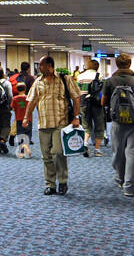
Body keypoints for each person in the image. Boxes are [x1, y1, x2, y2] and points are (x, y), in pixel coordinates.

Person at [26, 55, 81, 195]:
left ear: (50, 66)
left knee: (57, 152)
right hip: (43, 124)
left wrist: (76, 117)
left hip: (60, 123)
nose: (39, 68)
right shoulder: (37, 82)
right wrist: (27, 117)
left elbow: (76, 97)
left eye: (42, 65)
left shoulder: (64, 79)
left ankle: (62, 181)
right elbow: (31, 101)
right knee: (46, 156)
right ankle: (50, 184)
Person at [103, 52, 134, 197]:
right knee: (132, 154)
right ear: (130, 65)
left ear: (117, 64)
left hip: (117, 122)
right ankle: (129, 187)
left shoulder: (110, 81)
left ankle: (119, 178)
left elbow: (103, 102)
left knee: (118, 152)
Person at [76, 59, 107, 156]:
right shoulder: (100, 76)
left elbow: (77, 92)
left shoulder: (80, 77)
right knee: (99, 126)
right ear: (97, 67)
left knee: (86, 125)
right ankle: (97, 150)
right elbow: (103, 92)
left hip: (84, 103)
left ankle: (85, 144)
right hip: (97, 104)